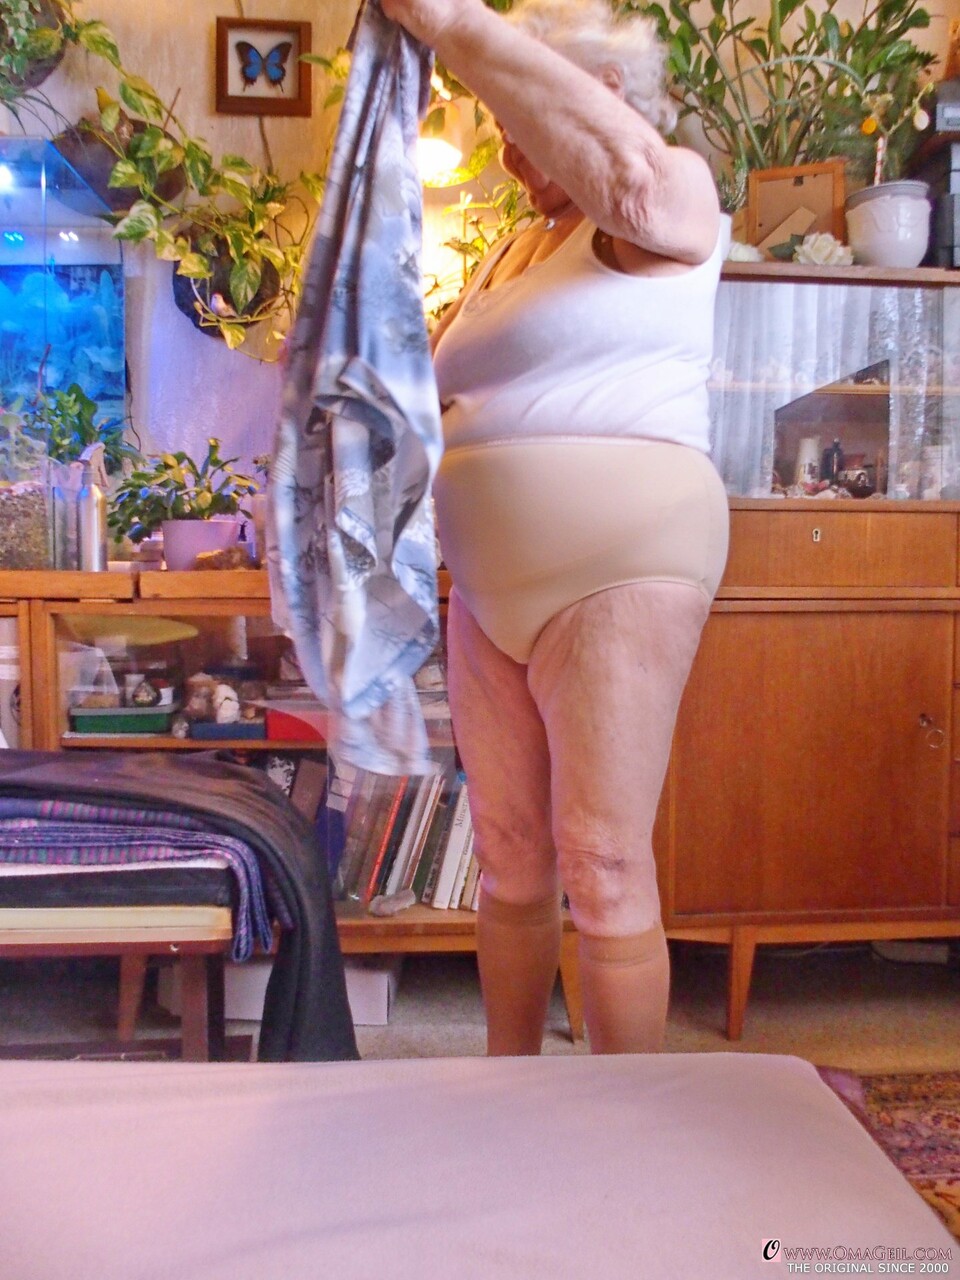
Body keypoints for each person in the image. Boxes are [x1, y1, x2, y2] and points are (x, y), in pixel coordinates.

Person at [381, 0, 729, 1054]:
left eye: (515, 118)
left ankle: (623, 1121)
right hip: (487, 585)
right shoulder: (513, 249)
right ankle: (513, 1090)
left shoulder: (670, 191)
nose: (504, 150)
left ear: (599, 95)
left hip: (619, 566)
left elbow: (627, 178)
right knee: (509, 850)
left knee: (603, 860)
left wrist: (450, 22)